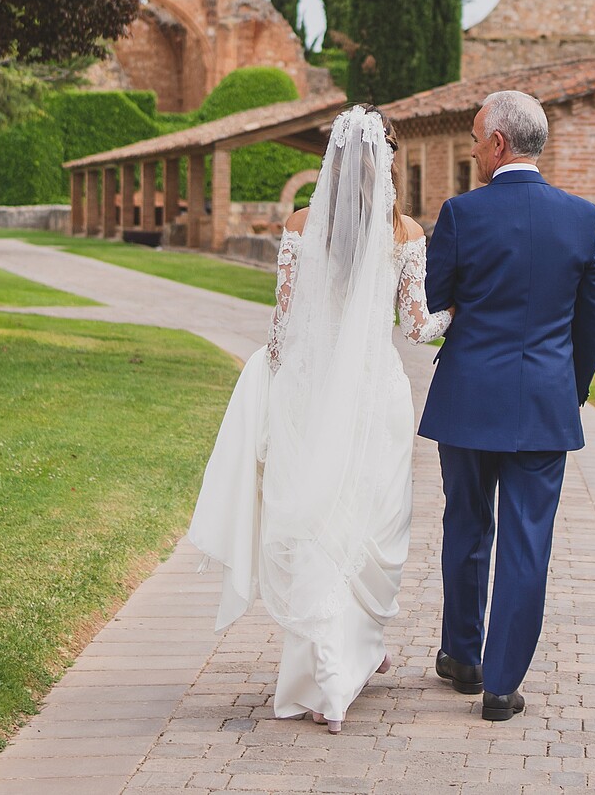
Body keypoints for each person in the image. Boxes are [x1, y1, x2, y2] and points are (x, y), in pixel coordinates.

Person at [186, 104, 448, 733]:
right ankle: (346, 660)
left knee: (314, 522)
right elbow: (418, 329)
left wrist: (278, 381)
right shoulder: (406, 233)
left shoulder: (301, 224)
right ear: (386, 161)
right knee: (368, 522)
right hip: (375, 395)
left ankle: (328, 669)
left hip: (310, 389)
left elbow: (282, 326)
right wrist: (461, 312)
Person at [420, 89, 595, 722]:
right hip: (544, 406)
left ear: (498, 143)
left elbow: (436, 299)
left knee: (466, 526)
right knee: (529, 541)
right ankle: (501, 686)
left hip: (468, 400)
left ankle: (462, 657)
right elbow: (592, 321)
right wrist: (567, 391)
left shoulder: (461, 214)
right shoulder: (580, 217)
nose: (473, 150)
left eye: (476, 139)